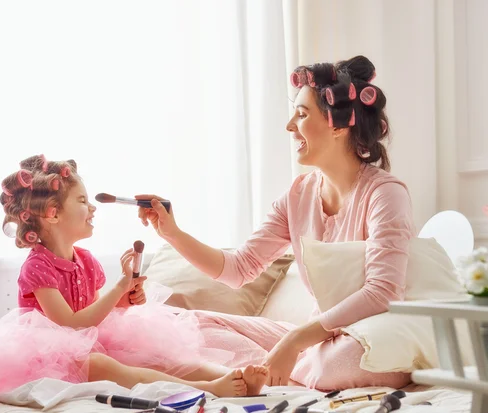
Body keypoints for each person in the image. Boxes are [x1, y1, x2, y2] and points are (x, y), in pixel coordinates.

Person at [136, 56, 415, 391]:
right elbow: (238, 268)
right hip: (316, 341)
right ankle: (274, 368)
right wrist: (173, 233)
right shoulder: (298, 195)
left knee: (342, 360)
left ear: (339, 126)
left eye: (302, 114)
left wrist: (294, 342)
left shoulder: (385, 194)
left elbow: (382, 294)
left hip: (369, 339)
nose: (289, 126)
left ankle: (273, 368)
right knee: (186, 323)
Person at [0, 155, 268, 409]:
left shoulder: (85, 259)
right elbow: (70, 325)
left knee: (162, 359)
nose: (93, 207)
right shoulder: (37, 269)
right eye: (82, 201)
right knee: (111, 367)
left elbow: (98, 313)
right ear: (53, 215)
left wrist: (125, 300)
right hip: (53, 355)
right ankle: (209, 389)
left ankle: (229, 376)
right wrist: (117, 289)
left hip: (93, 341)